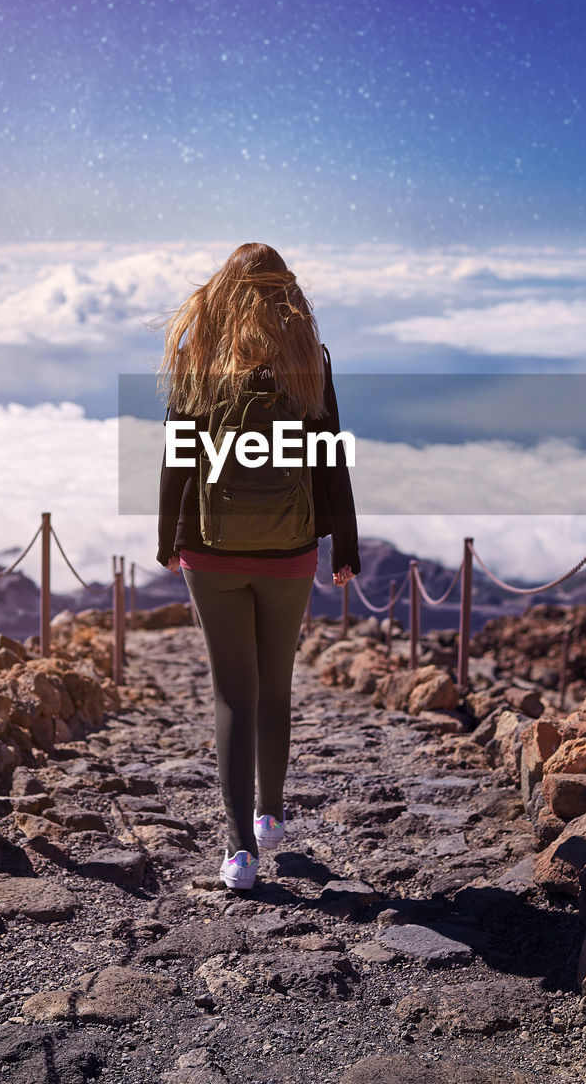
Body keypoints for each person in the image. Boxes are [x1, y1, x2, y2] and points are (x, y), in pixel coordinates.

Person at [155, 242, 360, 890]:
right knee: (276, 685)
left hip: (210, 550)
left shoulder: (196, 356)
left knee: (231, 694)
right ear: (285, 294)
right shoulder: (308, 359)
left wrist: (168, 536)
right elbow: (328, 458)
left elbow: (178, 455)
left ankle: (239, 849)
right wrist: (343, 545)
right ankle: (269, 813)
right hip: (289, 550)